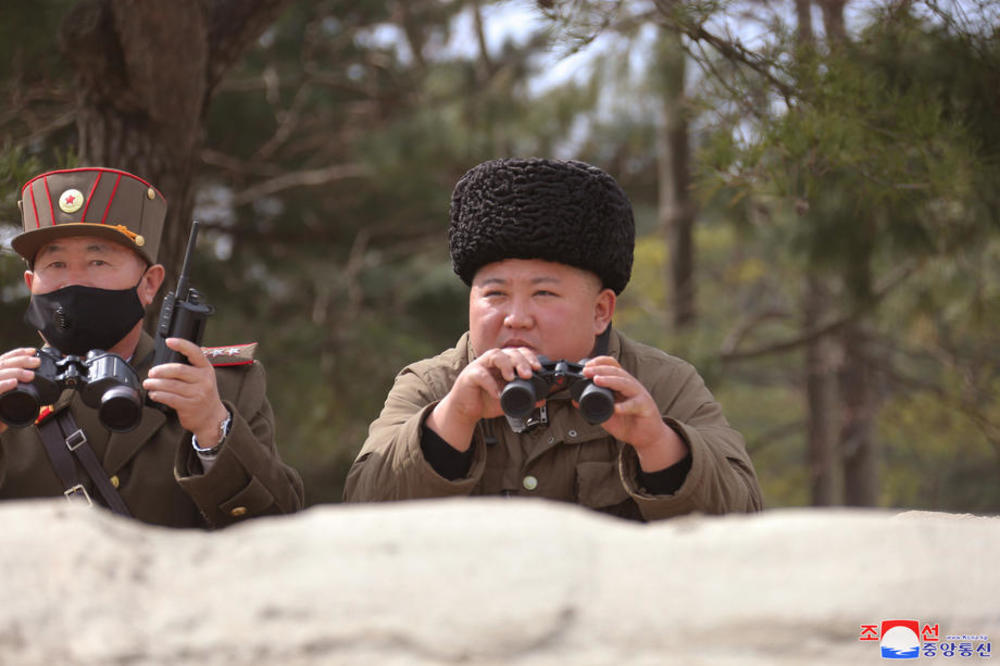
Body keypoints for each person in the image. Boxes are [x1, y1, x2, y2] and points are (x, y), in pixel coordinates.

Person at [344, 158, 762, 521]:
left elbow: (744, 523)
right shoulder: (434, 384)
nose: (516, 318)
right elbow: (361, 514)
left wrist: (657, 444)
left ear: (601, 311)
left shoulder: (663, 385)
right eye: (495, 293)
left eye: (543, 293)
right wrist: (451, 421)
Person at [0, 166, 304, 528]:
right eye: (56, 263)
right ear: (32, 284)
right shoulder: (8, 391)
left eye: (98, 261)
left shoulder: (221, 388)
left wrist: (213, 431)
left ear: (149, 284)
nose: (74, 280)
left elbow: (284, 528)